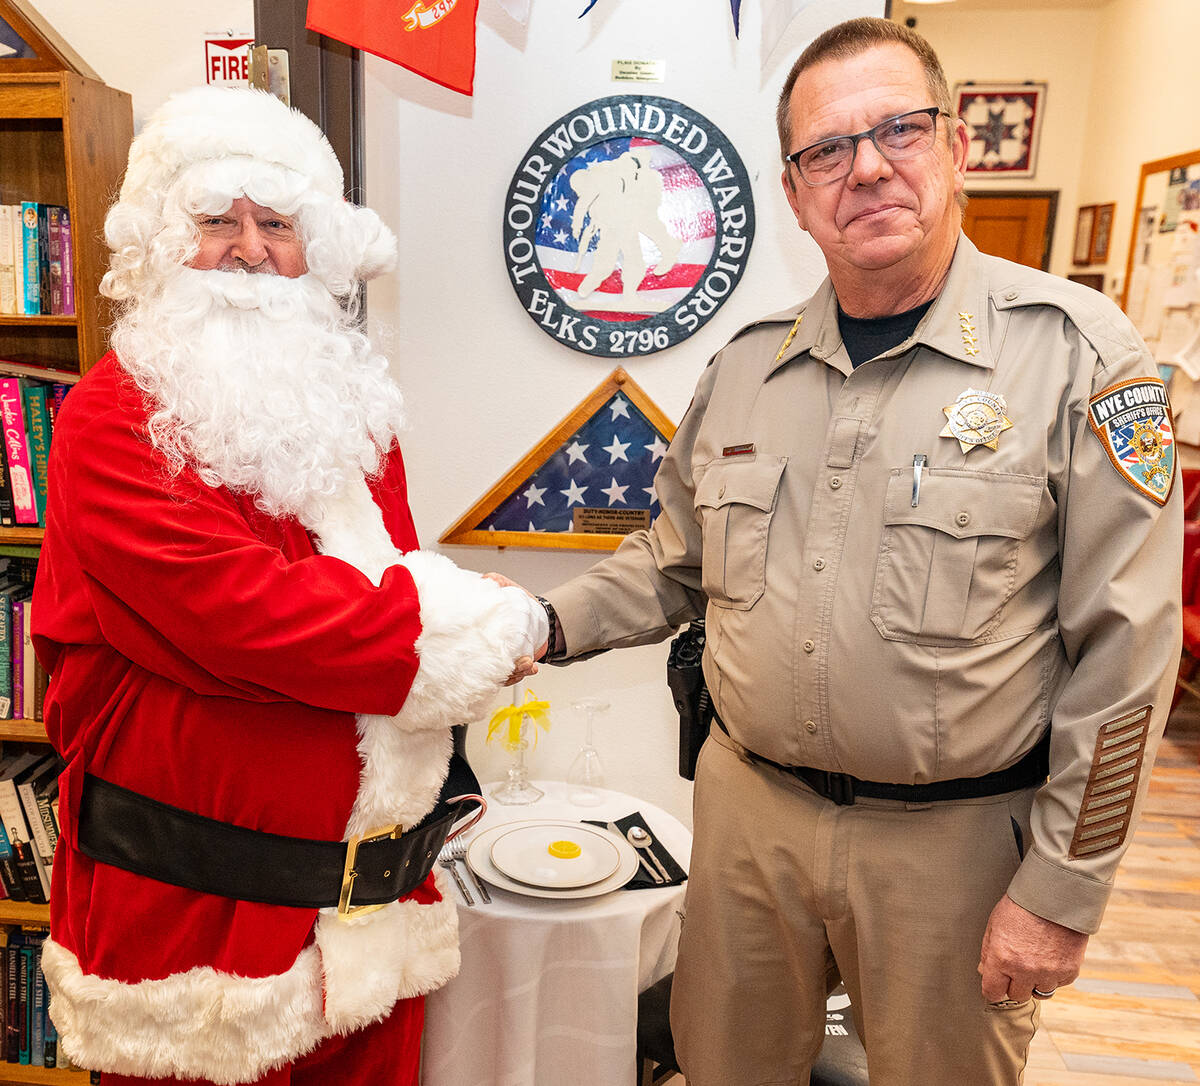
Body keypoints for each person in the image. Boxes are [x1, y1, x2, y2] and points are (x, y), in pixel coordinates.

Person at [529, 17, 1182, 1085]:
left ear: (956, 146)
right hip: (748, 821)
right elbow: (672, 562)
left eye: (899, 131)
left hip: (957, 848)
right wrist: (536, 623)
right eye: (827, 149)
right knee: (720, 1067)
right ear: (793, 194)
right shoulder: (745, 370)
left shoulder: (1077, 355)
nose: (867, 167)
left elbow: (1129, 656)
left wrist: (1062, 890)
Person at [32, 85, 545, 1086]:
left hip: (364, 924)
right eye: (216, 220)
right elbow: (241, 616)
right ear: (160, 245)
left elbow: (382, 581)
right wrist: (465, 631)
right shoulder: (109, 419)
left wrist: (452, 601)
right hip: (197, 938)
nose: (250, 249)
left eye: (278, 224)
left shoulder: (350, 411)